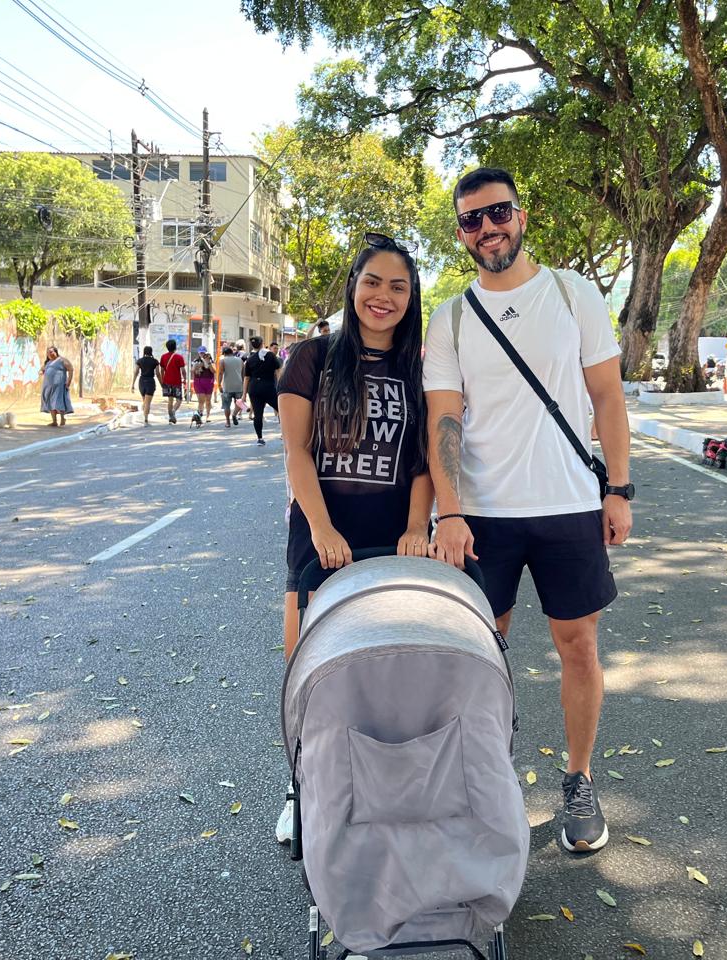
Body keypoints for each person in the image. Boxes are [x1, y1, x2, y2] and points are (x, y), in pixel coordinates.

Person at [423, 167, 633, 855]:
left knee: (578, 646)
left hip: (571, 504)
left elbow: (607, 398)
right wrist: (448, 511)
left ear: (521, 213)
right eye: (471, 221)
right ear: (460, 232)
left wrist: (618, 488)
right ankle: (487, 784)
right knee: (481, 654)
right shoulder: (451, 316)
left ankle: (578, 781)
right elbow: (445, 417)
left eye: (498, 213)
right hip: (483, 517)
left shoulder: (574, 295)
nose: (487, 229)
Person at [274, 231, 433, 843]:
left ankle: (379, 786)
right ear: (353, 287)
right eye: (373, 282)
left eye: (398, 286)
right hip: (321, 532)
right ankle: (299, 787)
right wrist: (320, 528)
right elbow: (295, 451)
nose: (383, 296)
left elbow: (421, 463)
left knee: (381, 673)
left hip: (392, 539)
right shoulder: (311, 358)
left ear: (411, 297)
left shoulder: (417, 368)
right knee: (305, 670)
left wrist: (419, 526)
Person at [242, 335, 282, 446]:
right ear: (262, 343)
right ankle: (286, 433)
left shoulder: (250, 360)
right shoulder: (271, 355)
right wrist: (280, 385)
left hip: (254, 388)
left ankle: (259, 438)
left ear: (252, 346)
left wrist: (244, 394)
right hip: (268, 386)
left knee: (258, 414)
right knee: (281, 410)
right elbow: (278, 370)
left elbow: (246, 378)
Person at [40, 346, 74, 427]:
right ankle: (54, 421)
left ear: (56, 352)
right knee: (51, 403)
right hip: (48, 386)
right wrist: (41, 372)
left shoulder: (62, 360)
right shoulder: (47, 363)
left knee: (58, 402)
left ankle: (62, 419)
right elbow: (42, 369)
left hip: (59, 386)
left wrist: (68, 381)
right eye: (48, 353)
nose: (50, 354)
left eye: (51, 352)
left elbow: (71, 369)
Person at [158, 339, 186, 424]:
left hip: (167, 381)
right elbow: (183, 370)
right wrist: (185, 378)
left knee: (170, 400)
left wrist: (163, 380)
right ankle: (173, 411)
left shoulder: (163, 357)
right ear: (175, 347)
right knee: (179, 400)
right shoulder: (179, 357)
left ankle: (171, 417)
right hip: (176, 382)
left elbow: (161, 370)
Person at [219, 345, 244, 428]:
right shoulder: (240, 360)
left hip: (227, 386)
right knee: (239, 403)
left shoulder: (222, 361)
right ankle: (234, 414)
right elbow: (243, 373)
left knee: (227, 405)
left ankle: (228, 422)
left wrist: (219, 384)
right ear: (232, 352)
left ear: (224, 354)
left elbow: (220, 373)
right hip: (239, 385)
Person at [135, 346, 159, 425]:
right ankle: (146, 420)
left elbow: (136, 372)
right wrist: (162, 384)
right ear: (151, 352)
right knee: (147, 402)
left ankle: (144, 415)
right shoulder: (155, 361)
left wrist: (132, 384)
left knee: (145, 401)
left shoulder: (139, 361)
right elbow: (158, 374)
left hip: (141, 382)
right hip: (150, 382)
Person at [192, 349, 216, 422]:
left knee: (208, 400)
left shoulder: (210, 360)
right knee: (201, 400)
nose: (202, 355)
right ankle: (200, 415)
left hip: (209, 382)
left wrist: (208, 362)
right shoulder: (196, 361)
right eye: (201, 353)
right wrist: (200, 364)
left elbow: (214, 371)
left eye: (204, 353)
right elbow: (193, 370)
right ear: (199, 353)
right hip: (199, 382)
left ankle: (208, 416)